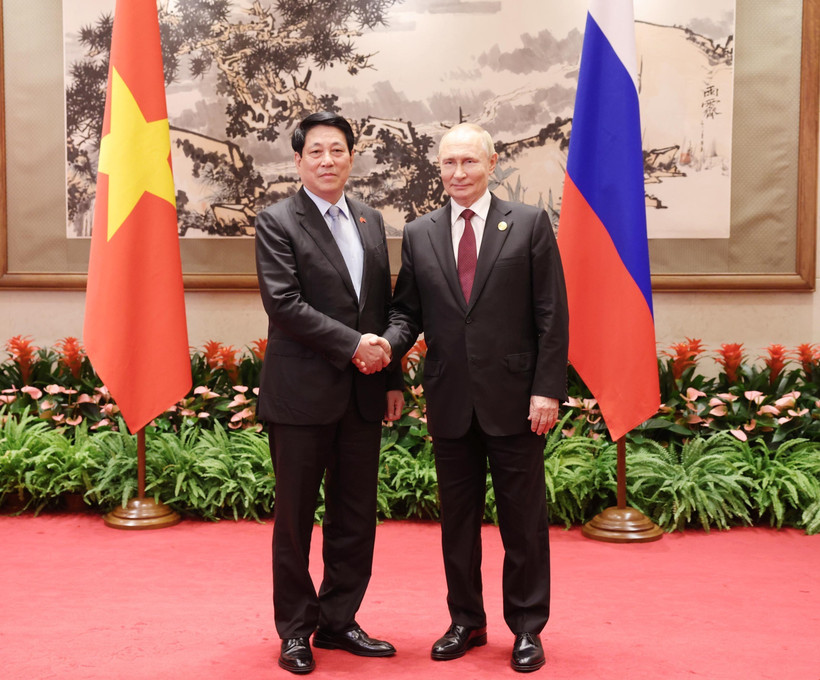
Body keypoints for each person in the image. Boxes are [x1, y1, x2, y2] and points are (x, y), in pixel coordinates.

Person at [382, 123, 569, 673]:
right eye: (448, 164)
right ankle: (466, 619)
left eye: (468, 162)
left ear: (492, 162)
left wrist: (546, 389)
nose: (457, 173)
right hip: (449, 400)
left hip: (517, 400)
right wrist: (385, 356)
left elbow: (551, 315)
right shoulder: (419, 233)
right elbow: (406, 314)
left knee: (523, 523)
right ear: (437, 168)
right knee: (457, 523)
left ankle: (528, 628)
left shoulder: (530, 224)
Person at [255, 111, 404, 675]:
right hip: (300, 398)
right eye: (315, 151)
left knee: (354, 515)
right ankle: (296, 630)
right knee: (295, 519)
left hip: (364, 396)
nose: (326, 160)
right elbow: (284, 304)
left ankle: (339, 620)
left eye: (336, 150)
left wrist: (391, 374)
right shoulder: (277, 222)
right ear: (298, 161)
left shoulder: (369, 219)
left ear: (351, 156)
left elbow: (383, 308)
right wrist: (353, 347)